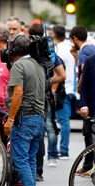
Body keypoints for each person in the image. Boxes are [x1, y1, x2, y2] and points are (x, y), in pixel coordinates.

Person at [3, 35, 45, 186]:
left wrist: (10, 119)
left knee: (20, 159)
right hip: (38, 118)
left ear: (14, 50)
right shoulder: (39, 65)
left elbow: (18, 93)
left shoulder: (19, 65)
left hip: (24, 118)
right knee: (30, 160)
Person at [28, 24, 66, 170]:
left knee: (30, 131)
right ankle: (41, 167)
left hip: (30, 95)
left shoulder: (28, 50)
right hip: (45, 95)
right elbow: (62, 75)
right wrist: (48, 82)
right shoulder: (50, 52)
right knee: (45, 128)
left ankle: (31, 167)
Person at [53, 25, 76, 160]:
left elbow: (57, 71)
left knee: (63, 120)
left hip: (62, 89)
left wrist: (53, 89)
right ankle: (63, 149)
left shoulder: (59, 50)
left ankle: (64, 150)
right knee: (64, 120)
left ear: (55, 35)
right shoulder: (69, 47)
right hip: (70, 88)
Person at [78, 54, 95, 175]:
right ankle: (89, 164)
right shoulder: (90, 61)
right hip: (92, 107)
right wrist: (84, 105)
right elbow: (83, 86)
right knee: (89, 136)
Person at [69, 25, 95, 93]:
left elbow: (84, 70)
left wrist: (79, 87)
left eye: (72, 40)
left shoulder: (83, 52)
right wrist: (76, 57)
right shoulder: (92, 47)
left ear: (75, 38)